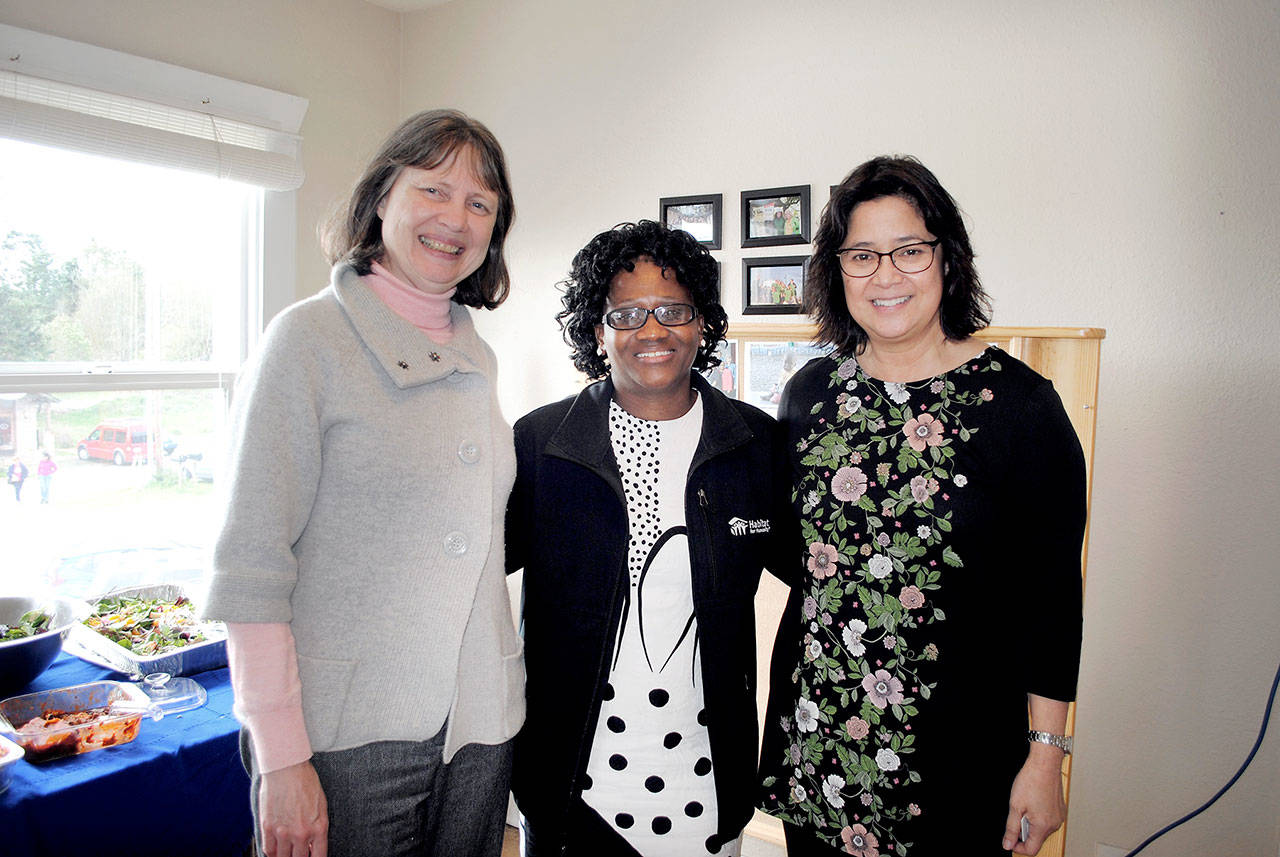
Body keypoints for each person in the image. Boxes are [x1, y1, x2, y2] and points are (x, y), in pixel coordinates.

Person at [202, 109, 523, 857]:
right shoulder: (307, 342)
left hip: (480, 722)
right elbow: (251, 567)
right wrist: (281, 755)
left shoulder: (479, 357)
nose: (456, 219)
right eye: (435, 190)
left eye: (481, 203)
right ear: (383, 196)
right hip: (347, 737)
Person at [757, 156, 1085, 857]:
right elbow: (793, 552)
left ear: (947, 258)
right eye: (861, 254)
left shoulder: (1021, 409)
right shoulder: (809, 393)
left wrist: (1047, 755)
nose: (884, 275)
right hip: (819, 744)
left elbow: (1051, 601)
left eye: (908, 250)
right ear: (835, 269)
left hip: (960, 766)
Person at [507, 220, 795, 857]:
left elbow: (821, 579)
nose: (654, 330)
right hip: (570, 787)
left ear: (703, 324)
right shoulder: (541, 445)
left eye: (673, 310)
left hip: (707, 781)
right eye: (628, 313)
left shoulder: (754, 446)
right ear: (596, 330)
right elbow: (466, 578)